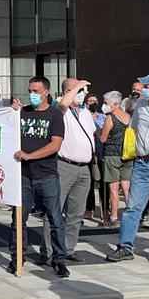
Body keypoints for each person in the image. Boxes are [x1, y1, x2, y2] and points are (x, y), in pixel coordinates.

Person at [107, 73, 149, 264]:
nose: (142, 89)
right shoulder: (141, 105)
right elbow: (132, 128)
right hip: (141, 163)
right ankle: (125, 247)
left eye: (147, 86)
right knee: (133, 207)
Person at [11, 76, 69, 278]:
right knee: (19, 219)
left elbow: (55, 145)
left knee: (55, 219)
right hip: (24, 176)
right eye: (30, 90)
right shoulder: (23, 112)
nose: (32, 94)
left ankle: (59, 259)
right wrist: (11, 111)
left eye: (36, 91)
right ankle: (17, 256)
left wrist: (30, 156)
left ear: (46, 92)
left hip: (46, 175)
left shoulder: (54, 115)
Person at [43, 78, 95, 262]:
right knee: (55, 210)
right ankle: (50, 251)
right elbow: (63, 103)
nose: (83, 93)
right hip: (65, 166)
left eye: (84, 90)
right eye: (80, 90)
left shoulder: (84, 113)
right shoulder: (61, 110)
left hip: (84, 169)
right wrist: (77, 86)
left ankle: (69, 248)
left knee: (76, 212)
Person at [98, 91, 132, 227]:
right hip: (127, 154)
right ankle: (130, 215)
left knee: (113, 188)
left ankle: (113, 217)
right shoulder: (128, 116)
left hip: (111, 154)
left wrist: (97, 133)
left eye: (106, 103)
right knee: (126, 188)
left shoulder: (110, 118)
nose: (104, 105)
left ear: (115, 104)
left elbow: (103, 138)